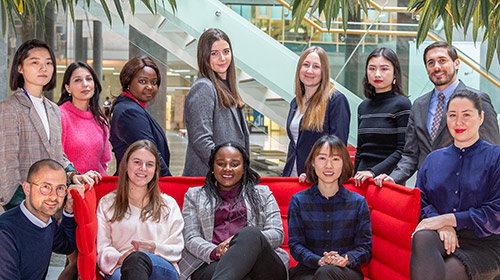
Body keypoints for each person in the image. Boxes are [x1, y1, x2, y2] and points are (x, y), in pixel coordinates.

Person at [375, 41, 500, 186]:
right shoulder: (419, 104)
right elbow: (410, 155)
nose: (437, 67)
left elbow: (492, 153)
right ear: (427, 68)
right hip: (425, 192)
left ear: (456, 63)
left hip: (464, 193)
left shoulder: (478, 99)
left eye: (442, 61)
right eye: (431, 63)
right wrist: (393, 178)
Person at [0, 39, 99, 214]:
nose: (43, 68)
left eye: (48, 63)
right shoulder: (9, 108)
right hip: (23, 209)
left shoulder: (53, 109)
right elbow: (7, 165)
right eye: (35, 62)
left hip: (52, 207)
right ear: (20, 68)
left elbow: (57, 154)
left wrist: (73, 174)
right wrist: (19, 208)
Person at [409, 90, 500, 280]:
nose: (459, 122)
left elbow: (495, 213)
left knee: (447, 274)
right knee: (422, 237)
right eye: (452, 115)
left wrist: (448, 219)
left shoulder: (495, 158)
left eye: (466, 115)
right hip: (443, 237)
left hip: (485, 244)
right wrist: (442, 225)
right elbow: (422, 201)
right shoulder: (433, 159)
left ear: (481, 117)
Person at [179, 142, 289, 280]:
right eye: (221, 163)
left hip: (262, 266)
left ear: (244, 168)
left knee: (249, 233)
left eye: (235, 164)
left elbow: (277, 233)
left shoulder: (263, 194)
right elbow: (191, 238)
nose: (227, 169)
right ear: (212, 167)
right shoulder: (194, 196)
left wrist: (240, 242)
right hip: (211, 263)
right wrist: (216, 251)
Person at [288, 135, 372, 280]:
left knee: (326, 273)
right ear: (313, 162)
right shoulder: (298, 201)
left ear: (344, 163)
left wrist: (345, 258)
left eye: (335, 159)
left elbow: (365, 247)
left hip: (345, 271)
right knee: (322, 273)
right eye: (322, 158)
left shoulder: (358, 202)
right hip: (308, 270)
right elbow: (296, 245)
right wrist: (319, 261)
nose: (329, 166)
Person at [97, 140, 184, 280]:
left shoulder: (168, 204)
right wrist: (120, 258)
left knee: (137, 260)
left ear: (155, 170)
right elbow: (102, 248)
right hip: (120, 266)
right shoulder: (107, 203)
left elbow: (177, 248)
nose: (143, 168)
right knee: (123, 273)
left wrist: (154, 248)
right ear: (125, 165)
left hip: (160, 267)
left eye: (149, 164)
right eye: (137, 162)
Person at [0, 159, 84, 279]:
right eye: (45, 187)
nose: (53, 196)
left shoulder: (47, 222)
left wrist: (69, 210)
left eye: (60, 188)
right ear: (27, 188)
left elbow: (67, 246)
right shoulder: (5, 233)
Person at [183, 28, 250, 177]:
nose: (222, 58)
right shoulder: (204, 88)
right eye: (214, 53)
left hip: (226, 180)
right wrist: (226, 170)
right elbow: (202, 140)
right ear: (204, 57)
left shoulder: (227, 87)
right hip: (210, 179)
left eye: (226, 51)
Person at [282, 46, 350, 178]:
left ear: (324, 72)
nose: (309, 70)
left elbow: (338, 147)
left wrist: (315, 174)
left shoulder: (335, 100)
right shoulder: (296, 102)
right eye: (305, 65)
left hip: (318, 180)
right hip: (292, 176)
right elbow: (295, 145)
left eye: (316, 67)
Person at [353, 47, 411, 187]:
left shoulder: (403, 104)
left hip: (387, 180)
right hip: (361, 180)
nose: (377, 74)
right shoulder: (363, 107)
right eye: (372, 69)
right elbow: (361, 150)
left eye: (384, 69)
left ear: (395, 73)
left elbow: (402, 150)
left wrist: (373, 172)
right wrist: (354, 176)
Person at [110, 56, 171, 176]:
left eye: (154, 82)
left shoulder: (131, 107)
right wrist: (169, 183)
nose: (150, 87)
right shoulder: (129, 112)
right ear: (128, 82)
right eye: (143, 81)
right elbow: (150, 154)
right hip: (137, 185)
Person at [58, 61, 111, 175]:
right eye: (78, 80)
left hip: (95, 189)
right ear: (68, 88)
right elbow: (55, 160)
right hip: (70, 189)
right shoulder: (60, 116)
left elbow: (103, 163)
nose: (85, 84)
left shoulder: (100, 121)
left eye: (89, 79)